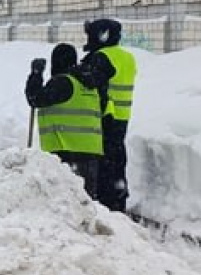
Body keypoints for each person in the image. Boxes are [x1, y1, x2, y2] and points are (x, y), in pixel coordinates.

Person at [26, 43, 104, 199]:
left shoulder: (63, 82)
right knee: (85, 202)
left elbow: (36, 99)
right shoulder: (89, 85)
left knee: (64, 201)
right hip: (90, 154)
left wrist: (36, 75)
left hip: (66, 151)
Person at [81, 18, 137, 213]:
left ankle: (106, 200)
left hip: (105, 116)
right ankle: (118, 195)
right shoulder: (127, 57)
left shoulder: (102, 57)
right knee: (116, 157)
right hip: (122, 117)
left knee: (103, 160)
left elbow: (91, 83)